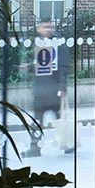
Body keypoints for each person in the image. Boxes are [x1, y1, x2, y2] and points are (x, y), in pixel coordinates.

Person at [25, 18, 74, 158]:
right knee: (37, 120)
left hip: (54, 91)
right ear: (39, 29)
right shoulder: (40, 44)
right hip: (40, 90)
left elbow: (64, 68)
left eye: (51, 26)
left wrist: (62, 87)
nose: (49, 29)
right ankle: (35, 148)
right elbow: (40, 64)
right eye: (45, 27)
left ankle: (68, 143)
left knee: (61, 121)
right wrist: (29, 66)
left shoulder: (59, 45)